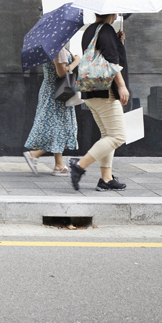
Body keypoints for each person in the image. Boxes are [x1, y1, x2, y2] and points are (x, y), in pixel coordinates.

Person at [69, 13, 130, 191]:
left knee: (107, 135)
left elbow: (101, 56)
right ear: (111, 13)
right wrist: (122, 86)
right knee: (118, 136)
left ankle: (106, 179)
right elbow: (111, 61)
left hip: (91, 90)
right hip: (106, 91)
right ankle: (79, 165)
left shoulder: (90, 30)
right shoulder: (106, 30)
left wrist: (118, 42)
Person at [22, 47, 81, 176]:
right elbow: (61, 73)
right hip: (57, 92)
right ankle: (34, 154)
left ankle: (59, 164)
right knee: (60, 127)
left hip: (54, 90)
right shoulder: (58, 49)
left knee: (58, 125)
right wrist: (76, 61)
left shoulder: (58, 47)